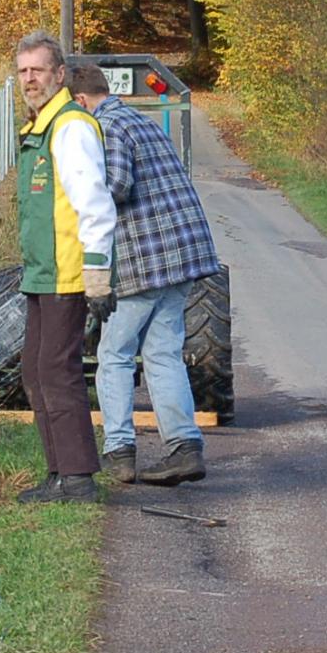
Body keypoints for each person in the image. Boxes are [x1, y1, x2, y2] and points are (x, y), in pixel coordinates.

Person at [68, 64, 220, 486]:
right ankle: (184, 448)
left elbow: (115, 186)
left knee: (114, 354)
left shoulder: (108, 126)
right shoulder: (140, 120)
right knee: (162, 353)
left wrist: (73, 199)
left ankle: (120, 452)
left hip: (146, 258)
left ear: (80, 101)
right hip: (183, 255)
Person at [11, 32, 118, 503]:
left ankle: (77, 478)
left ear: (59, 75)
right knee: (34, 371)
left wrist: (97, 273)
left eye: (38, 70)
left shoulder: (70, 127)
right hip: (42, 270)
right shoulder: (39, 127)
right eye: (22, 71)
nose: (29, 79)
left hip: (68, 271)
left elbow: (95, 203)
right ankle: (58, 473)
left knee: (56, 370)